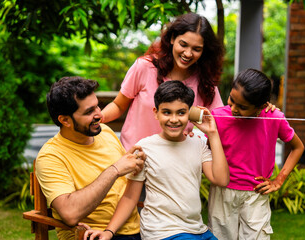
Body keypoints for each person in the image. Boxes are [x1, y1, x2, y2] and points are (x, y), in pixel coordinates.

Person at [84, 80, 230, 240]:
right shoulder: (144, 148)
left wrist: (213, 133)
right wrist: (109, 231)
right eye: (167, 112)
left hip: (197, 230)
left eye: (181, 113)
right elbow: (130, 197)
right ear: (156, 112)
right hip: (163, 231)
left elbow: (221, 179)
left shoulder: (198, 144)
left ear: (190, 113)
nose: (174, 119)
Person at [35, 76, 146, 240]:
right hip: (91, 235)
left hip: (134, 229)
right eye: (89, 111)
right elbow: (70, 214)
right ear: (65, 120)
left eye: (97, 107)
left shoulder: (105, 132)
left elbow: (128, 184)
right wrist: (115, 170)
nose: (99, 115)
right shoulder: (51, 156)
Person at [101, 12, 225, 150]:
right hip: (133, 157)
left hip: (173, 163)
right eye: (183, 44)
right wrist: (98, 118)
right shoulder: (145, 67)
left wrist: (197, 139)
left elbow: (220, 124)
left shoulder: (205, 82)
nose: (188, 53)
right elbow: (118, 106)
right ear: (172, 38)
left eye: (196, 49)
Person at [208, 69, 305, 240]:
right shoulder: (217, 117)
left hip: (256, 195)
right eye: (232, 100)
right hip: (222, 193)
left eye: (243, 107)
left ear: (261, 105)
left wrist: (279, 180)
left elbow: (298, 147)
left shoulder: (273, 117)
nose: (234, 109)